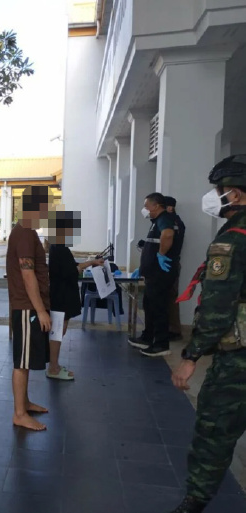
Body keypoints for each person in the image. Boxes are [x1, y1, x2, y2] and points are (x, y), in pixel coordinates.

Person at [169, 155, 246, 513]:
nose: (215, 196)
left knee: (215, 430)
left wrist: (191, 357)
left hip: (238, 361)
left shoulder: (233, 239)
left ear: (236, 194)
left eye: (219, 190)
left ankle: (195, 501)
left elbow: (218, 307)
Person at [6, 185, 51, 431]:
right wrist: (40, 310)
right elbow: (27, 274)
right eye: (47, 206)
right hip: (26, 308)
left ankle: (24, 403)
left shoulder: (28, 232)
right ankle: (19, 413)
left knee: (27, 358)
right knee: (22, 362)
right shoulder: (24, 233)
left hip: (29, 306)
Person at [47, 211, 104, 380]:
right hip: (61, 296)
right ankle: (53, 368)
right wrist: (89, 263)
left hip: (61, 294)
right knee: (58, 331)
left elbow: (71, 266)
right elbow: (71, 271)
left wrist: (91, 263)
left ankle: (54, 364)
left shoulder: (59, 247)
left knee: (59, 331)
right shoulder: (59, 247)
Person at [128, 192, 177, 357]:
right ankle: (147, 337)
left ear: (156, 206)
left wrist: (161, 255)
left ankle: (161, 344)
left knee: (159, 308)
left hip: (160, 274)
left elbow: (168, 234)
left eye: (146, 206)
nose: (144, 209)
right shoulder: (156, 222)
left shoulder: (165, 219)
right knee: (149, 305)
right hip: (152, 273)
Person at [165, 196, 186, 341]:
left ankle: (173, 330)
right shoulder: (172, 221)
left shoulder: (174, 223)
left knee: (170, 297)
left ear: (170, 207)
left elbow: (170, 243)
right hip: (169, 263)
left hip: (170, 263)